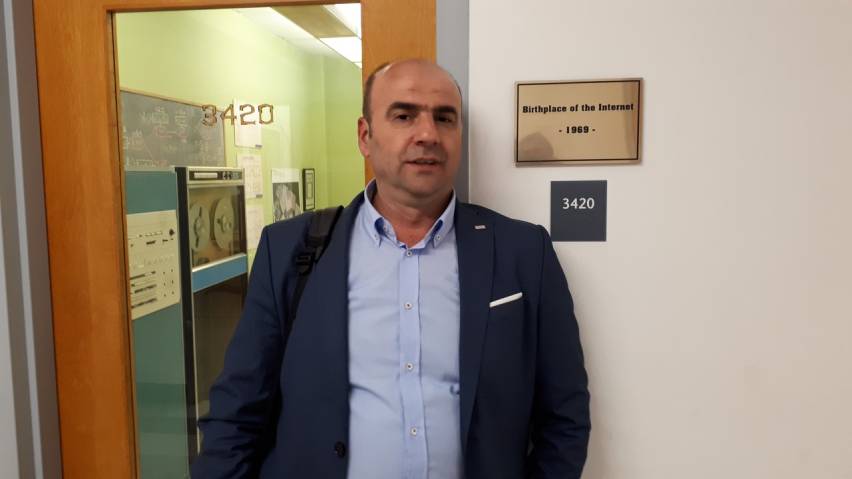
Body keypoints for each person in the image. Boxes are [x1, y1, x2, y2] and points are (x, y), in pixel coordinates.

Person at [191, 59, 590, 479]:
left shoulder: (523, 252)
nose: (428, 134)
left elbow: (564, 417)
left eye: (444, 118)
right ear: (365, 136)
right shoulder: (290, 250)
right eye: (404, 116)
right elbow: (237, 414)